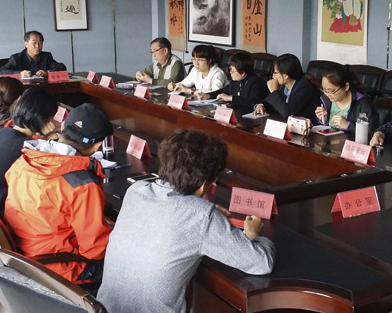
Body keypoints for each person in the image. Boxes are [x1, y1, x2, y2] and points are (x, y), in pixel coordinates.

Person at [97, 129, 275, 312]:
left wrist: (206, 211)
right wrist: (255, 235)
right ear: (204, 185)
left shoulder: (136, 190)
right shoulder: (202, 216)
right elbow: (262, 263)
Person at [4, 103, 113, 287]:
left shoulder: (24, 162)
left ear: (62, 126)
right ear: (97, 146)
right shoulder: (82, 184)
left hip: (24, 256)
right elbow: (95, 249)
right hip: (61, 268)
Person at [0, 87, 58, 219]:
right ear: (42, 119)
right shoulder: (27, 147)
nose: (52, 123)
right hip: (2, 215)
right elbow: (62, 163)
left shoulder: (4, 132)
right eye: (50, 119)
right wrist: (52, 137)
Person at [314, 64, 378, 138]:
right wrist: (324, 120)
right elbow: (327, 130)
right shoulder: (327, 101)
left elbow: (371, 132)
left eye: (332, 91)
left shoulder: (362, 104)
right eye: (324, 90)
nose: (328, 95)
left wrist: (347, 125)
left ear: (346, 87)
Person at [254, 53, 321, 121]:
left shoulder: (304, 87)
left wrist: (274, 91)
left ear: (286, 75)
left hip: (307, 126)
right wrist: (261, 105)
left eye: (275, 72)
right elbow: (272, 102)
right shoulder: (285, 86)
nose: (273, 75)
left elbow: (287, 112)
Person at [0, 30, 67, 77]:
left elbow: (62, 67)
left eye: (40, 43)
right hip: (23, 89)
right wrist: (20, 74)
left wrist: (47, 73)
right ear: (26, 44)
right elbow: (2, 71)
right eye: (34, 43)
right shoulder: (16, 58)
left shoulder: (46, 56)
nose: (37, 46)